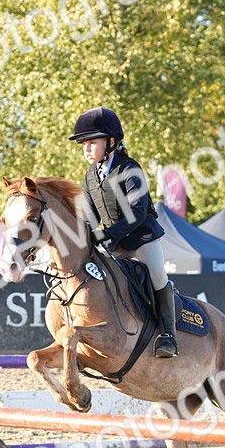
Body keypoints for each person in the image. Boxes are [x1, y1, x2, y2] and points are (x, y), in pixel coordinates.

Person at [69, 107, 177, 358]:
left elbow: (137, 212)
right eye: (84, 144)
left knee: (158, 275)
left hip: (141, 238)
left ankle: (168, 335)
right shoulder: (89, 177)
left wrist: (109, 235)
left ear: (111, 142)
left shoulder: (130, 169)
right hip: (114, 242)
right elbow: (91, 214)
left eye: (91, 143)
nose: (86, 149)